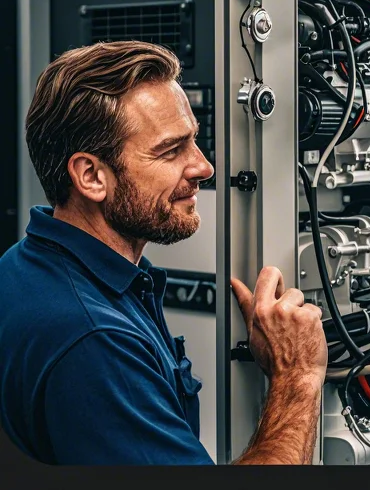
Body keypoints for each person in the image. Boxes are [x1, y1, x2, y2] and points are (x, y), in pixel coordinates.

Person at [0, 40, 327, 465]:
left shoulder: (27, 264)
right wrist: (297, 376)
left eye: (194, 141)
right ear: (91, 176)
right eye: (171, 151)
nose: (203, 167)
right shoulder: (95, 340)